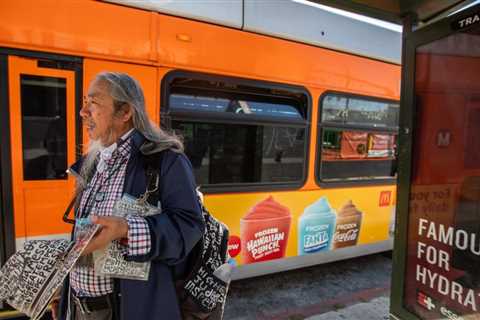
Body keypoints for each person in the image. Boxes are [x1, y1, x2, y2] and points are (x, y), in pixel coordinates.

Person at [54, 72, 205, 320]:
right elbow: (84, 237)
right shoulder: (92, 164)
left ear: (125, 113)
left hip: (127, 310)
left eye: (93, 103)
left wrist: (126, 229)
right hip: (78, 308)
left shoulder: (165, 161)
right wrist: (63, 292)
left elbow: (189, 227)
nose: (83, 112)